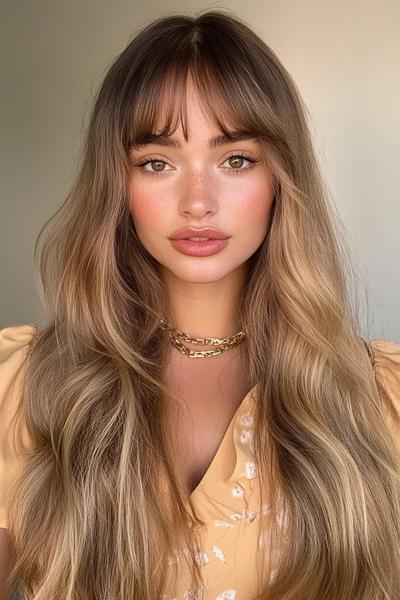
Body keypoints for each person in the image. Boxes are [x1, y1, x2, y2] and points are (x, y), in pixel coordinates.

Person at [1, 9, 399, 600]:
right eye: (156, 163)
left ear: (280, 179)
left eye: (235, 159)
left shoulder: (378, 398)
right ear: (119, 185)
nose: (198, 202)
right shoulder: (24, 387)